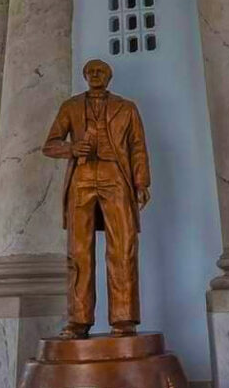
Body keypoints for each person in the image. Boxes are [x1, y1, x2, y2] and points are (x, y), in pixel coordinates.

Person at [43, 59, 151, 339]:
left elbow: (137, 146)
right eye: (90, 71)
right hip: (81, 177)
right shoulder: (70, 106)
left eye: (100, 71)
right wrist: (72, 148)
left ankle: (124, 319)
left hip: (116, 176)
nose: (95, 74)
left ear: (109, 76)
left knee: (123, 247)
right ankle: (78, 320)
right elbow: (50, 145)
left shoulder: (126, 108)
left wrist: (141, 182)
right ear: (84, 76)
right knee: (78, 251)